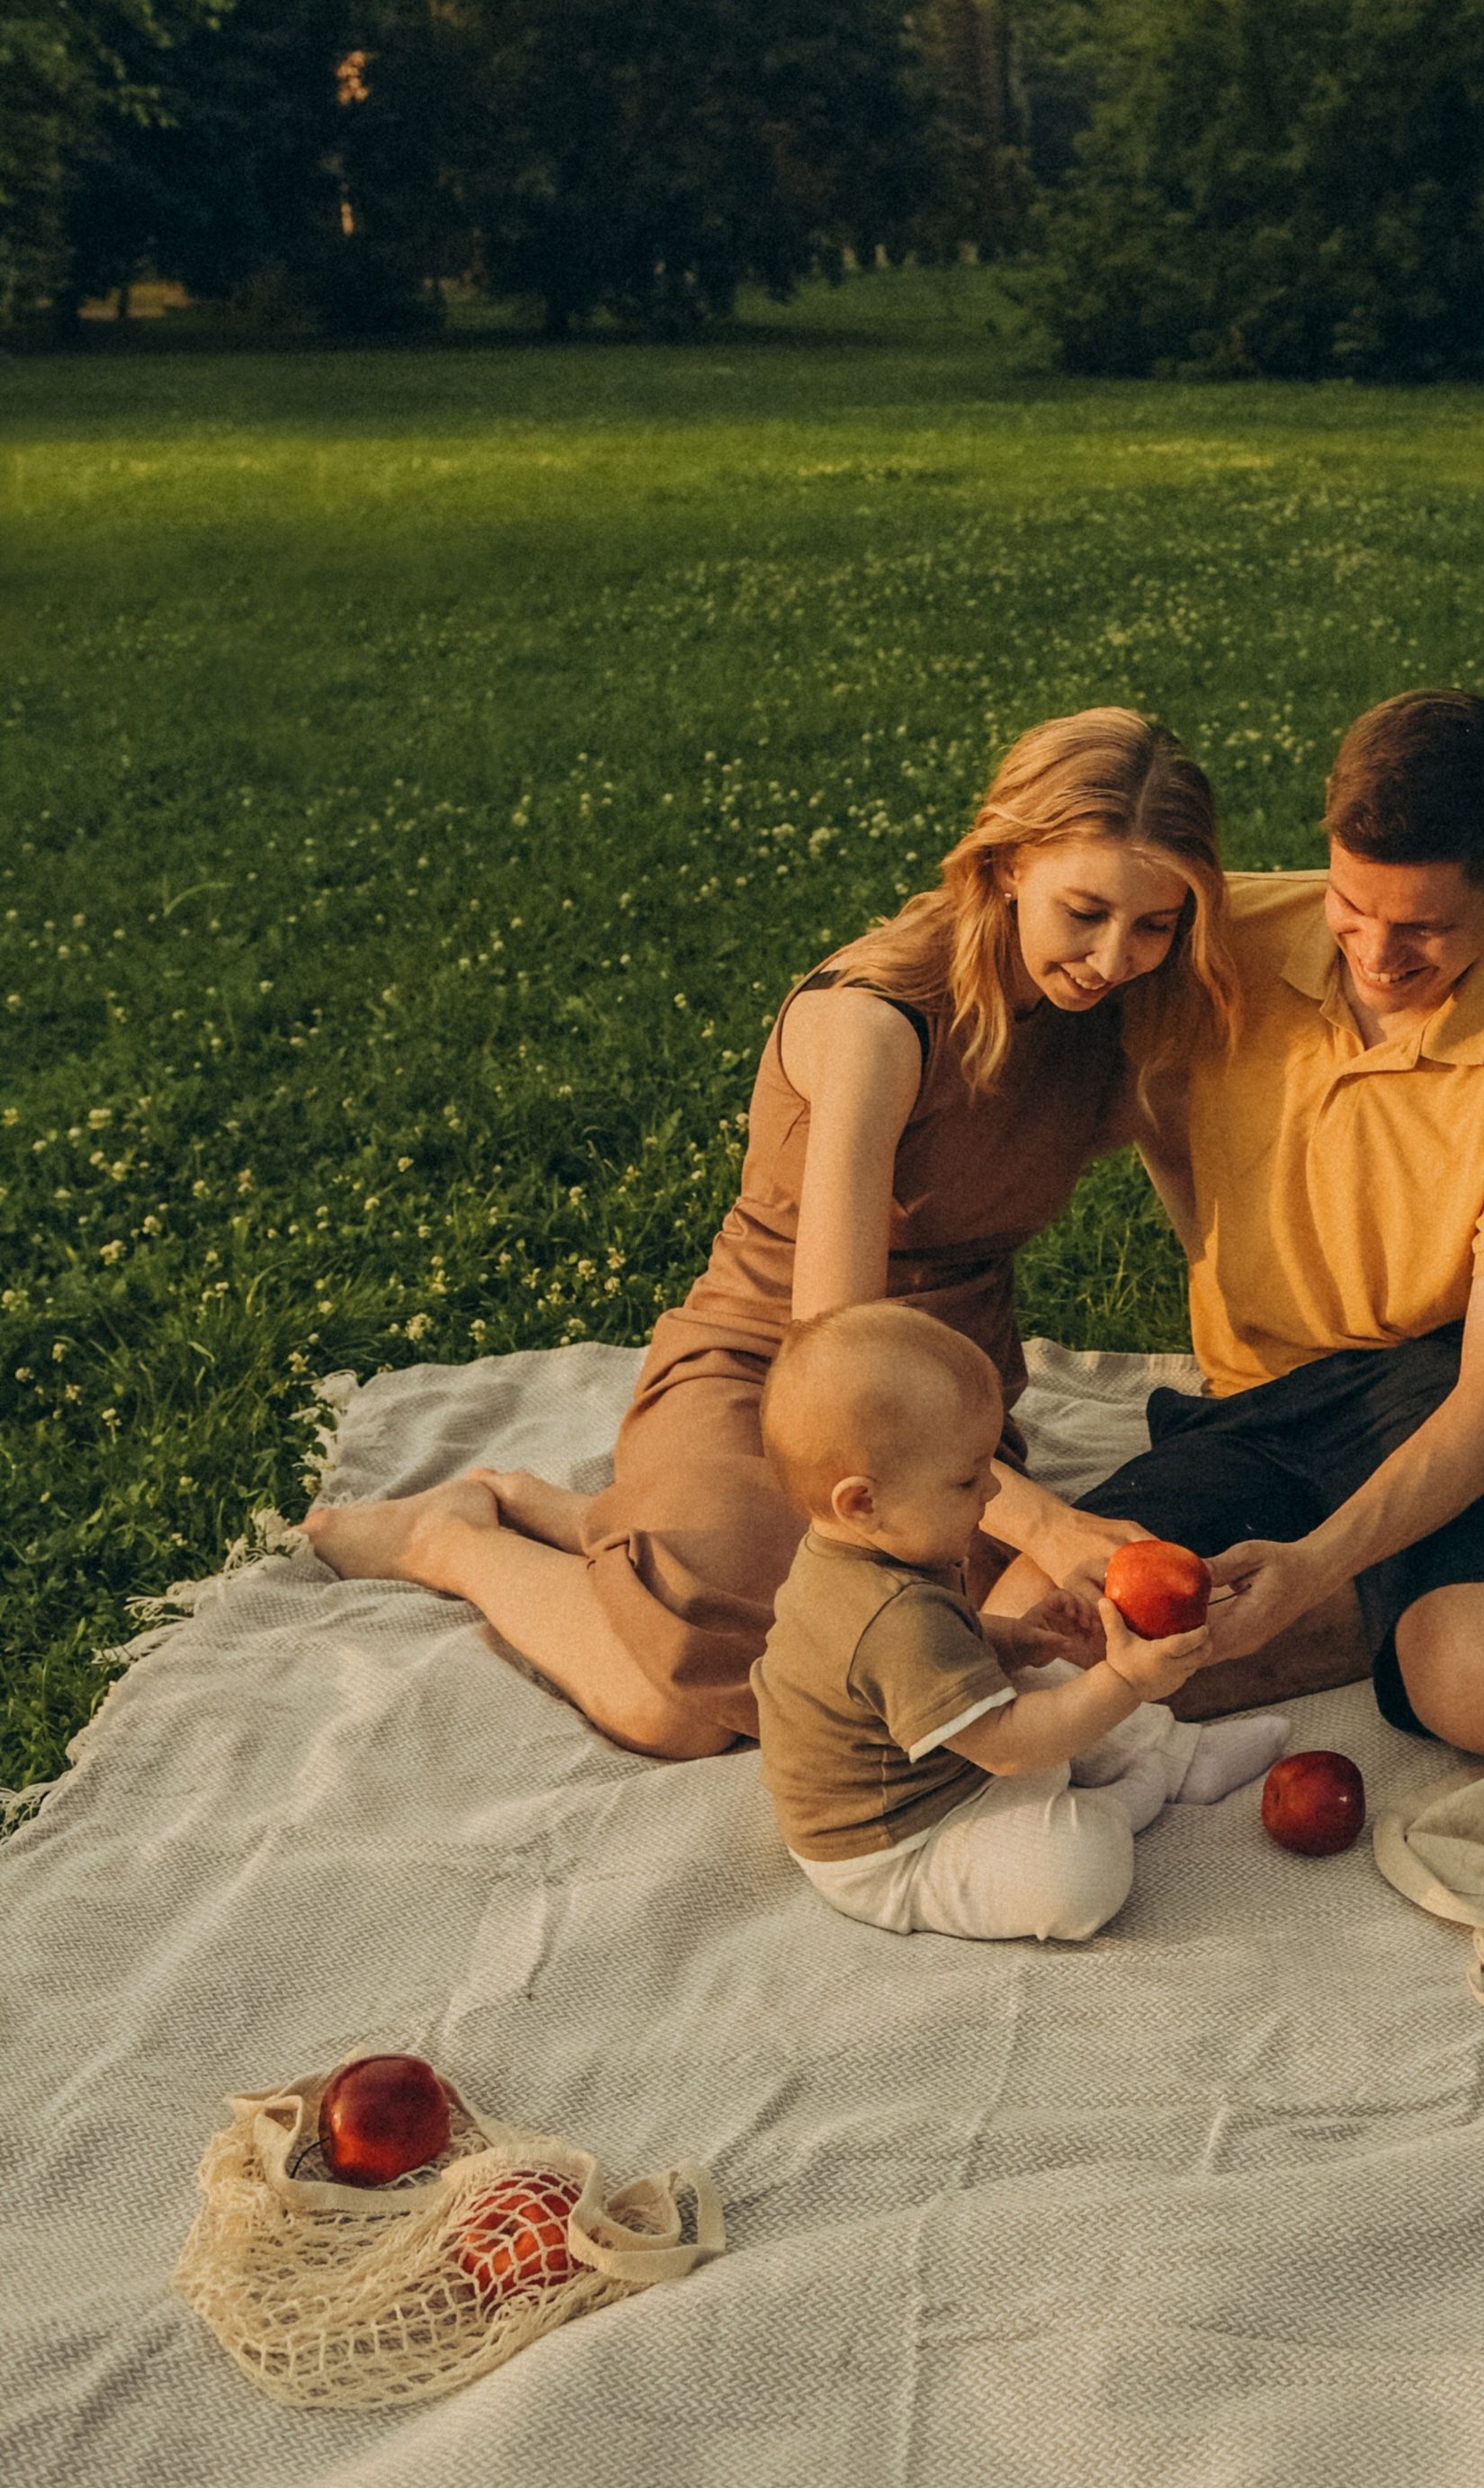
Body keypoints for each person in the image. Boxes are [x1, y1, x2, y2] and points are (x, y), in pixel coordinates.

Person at [306, 709, 1238, 1759]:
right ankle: (459, 1540)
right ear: (1007, 862)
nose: (1115, 955)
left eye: (1155, 924)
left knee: (960, 1658)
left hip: (951, 1398)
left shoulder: (1128, 1010)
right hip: (778, 1367)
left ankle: (576, 1518)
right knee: (681, 1708)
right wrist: (1043, 1521)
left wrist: (1261, 1358)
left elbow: (1203, 1214)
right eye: (1086, 910)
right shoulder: (880, 1020)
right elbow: (834, 1357)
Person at [991, 689, 1484, 1758]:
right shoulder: (1213, 932)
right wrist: (1211, 1241)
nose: (1376, 953)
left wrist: (1314, 1566)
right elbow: (1019, 911)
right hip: (1258, 1401)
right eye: (1350, 905)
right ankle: (1465, 1608)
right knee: (1041, 1639)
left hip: (1436, 1389)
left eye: (1422, 925)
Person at [755, 1302, 1286, 1941]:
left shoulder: (867, 1552)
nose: (993, 1494)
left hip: (939, 1759)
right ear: (864, 1502)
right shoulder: (888, 1617)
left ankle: (1181, 1760)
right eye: (966, 1481)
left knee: (1054, 1677)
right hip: (903, 1842)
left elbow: (940, 1646)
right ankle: (1114, 1808)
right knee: (1079, 1872)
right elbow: (1009, 1747)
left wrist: (1017, 1638)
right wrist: (1127, 1681)